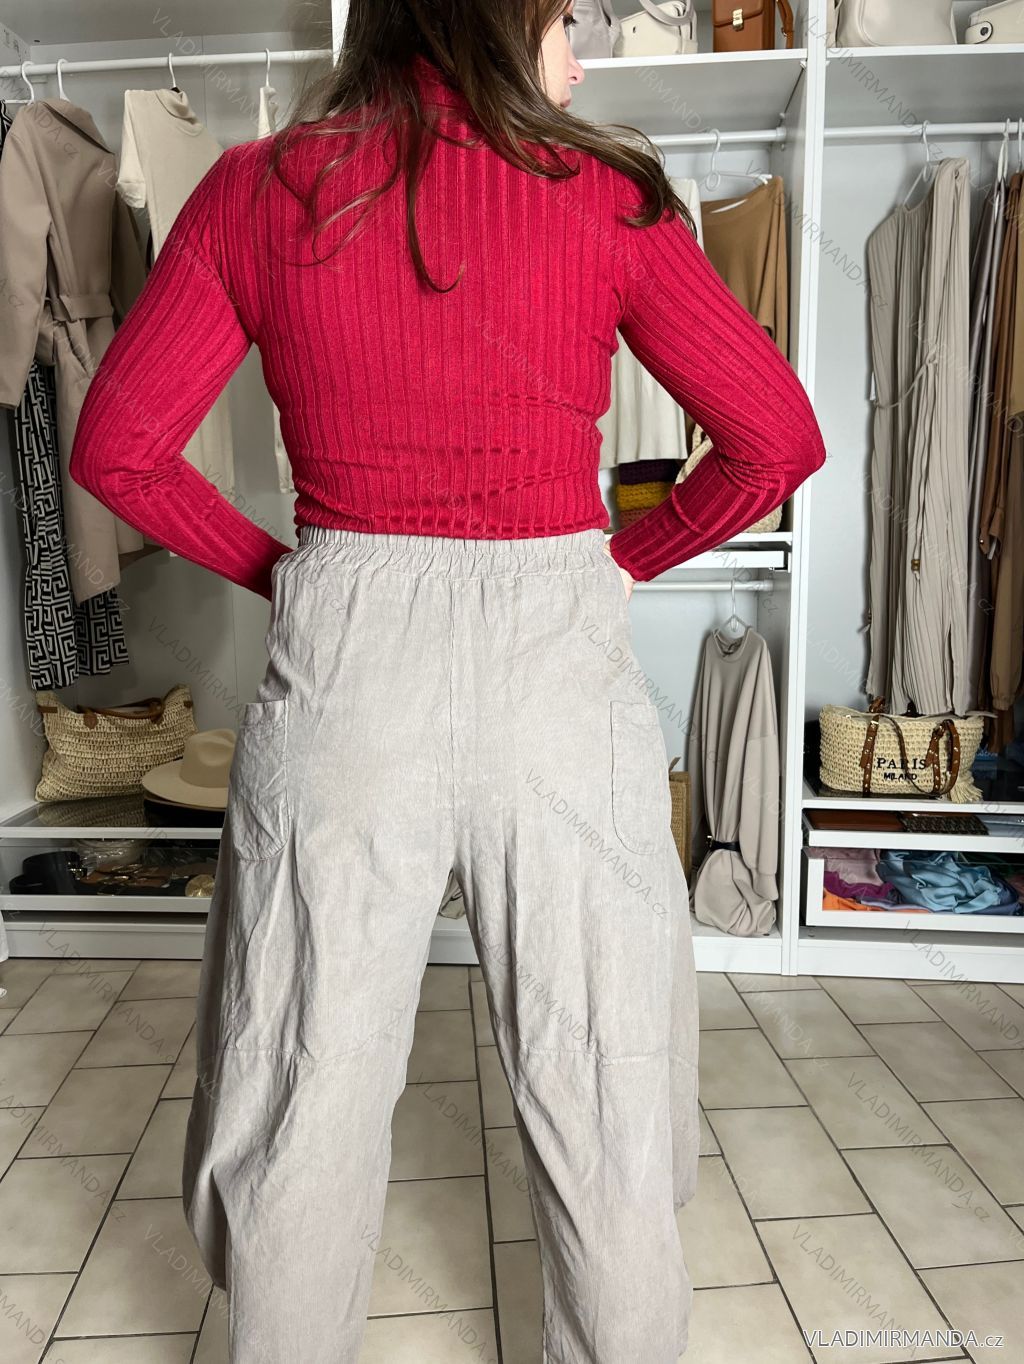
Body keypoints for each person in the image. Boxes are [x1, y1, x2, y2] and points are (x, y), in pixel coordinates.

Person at [70, 2, 826, 1360]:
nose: (580, 62)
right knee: (602, 1076)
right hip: (558, 666)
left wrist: (289, 573)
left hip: (348, 669)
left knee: (303, 1074)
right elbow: (775, 441)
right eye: (567, 21)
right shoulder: (607, 192)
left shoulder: (255, 190)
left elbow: (119, 450)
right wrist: (624, 559)